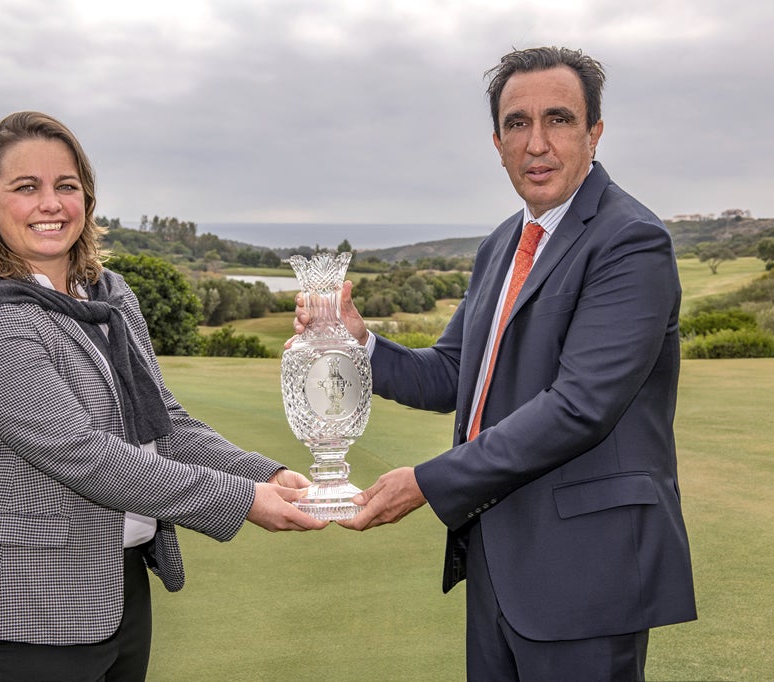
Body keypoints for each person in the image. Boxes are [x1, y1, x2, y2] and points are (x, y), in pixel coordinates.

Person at [292, 46, 696, 679]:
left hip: (588, 571)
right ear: (497, 141)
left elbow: (580, 407)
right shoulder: (503, 243)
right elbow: (453, 374)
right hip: (497, 561)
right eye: (517, 123)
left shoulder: (630, 241)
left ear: (594, 132)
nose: (536, 143)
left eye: (558, 119)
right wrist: (359, 340)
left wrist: (428, 481)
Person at [0, 110, 326, 681]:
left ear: (86, 201)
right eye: (26, 187)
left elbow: (164, 425)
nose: (51, 203)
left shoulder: (110, 299)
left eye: (67, 186)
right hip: (23, 610)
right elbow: (82, 454)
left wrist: (266, 475)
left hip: (115, 590)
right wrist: (241, 501)